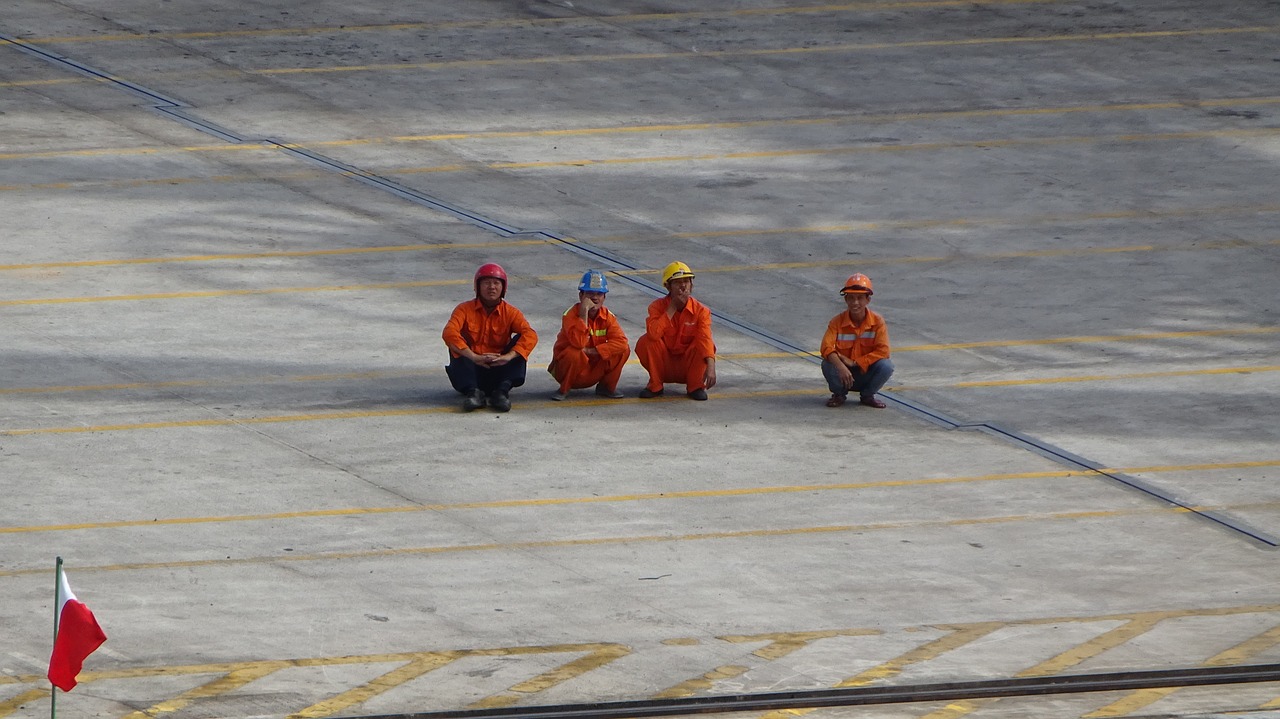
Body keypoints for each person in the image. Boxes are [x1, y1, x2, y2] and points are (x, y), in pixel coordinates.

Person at [442, 263, 538, 413]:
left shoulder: (511, 312)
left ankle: (501, 393)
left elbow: (530, 334)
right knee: (456, 341)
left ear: (503, 288)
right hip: (472, 371)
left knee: (522, 342)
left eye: (496, 283)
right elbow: (449, 332)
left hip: (499, 370)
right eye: (486, 283)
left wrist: (508, 356)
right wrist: (473, 356)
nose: (491, 287)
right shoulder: (464, 309)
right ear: (477, 287)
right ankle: (473, 393)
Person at [635, 261, 716, 400]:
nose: (683, 286)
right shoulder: (656, 307)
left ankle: (695, 386)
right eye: (677, 282)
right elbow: (653, 335)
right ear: (668, 286)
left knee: (703, 345)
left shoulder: (701, 311)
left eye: (686, 281)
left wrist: (711, 366)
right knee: (646, 342)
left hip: (687, 366)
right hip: (664, 365)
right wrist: (671, 308)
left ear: (692, 285)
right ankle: (655, 386)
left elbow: (705, 339)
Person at [548, 270, 630, 401]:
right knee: (574, 352)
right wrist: (583, 313)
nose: (595, 298)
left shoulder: (608, 316)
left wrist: (593, 351)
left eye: (599, 294)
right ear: (581, 296)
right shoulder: (570, 315)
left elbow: (622, 342)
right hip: (568, 371)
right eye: (590, 293)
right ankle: (564, 389)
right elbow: (579, 343)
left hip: (593, 368)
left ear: (604, 297)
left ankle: (607, 387)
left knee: (623, 350)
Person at [820, 273, 893, 408]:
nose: (855, 303)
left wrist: (856, 363)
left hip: (865, 373)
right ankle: (839, 394)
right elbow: (826, 347)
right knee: (827, 364)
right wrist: (841, 366)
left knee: (886, 366)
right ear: (846, 299)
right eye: (851, 298)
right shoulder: (836, 322)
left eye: (860, 298)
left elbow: (884, 351)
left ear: (868, 300)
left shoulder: (878, 322)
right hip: (843, 375)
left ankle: (867, 395)